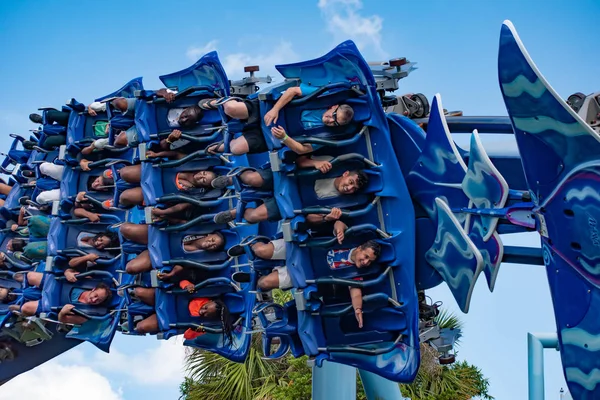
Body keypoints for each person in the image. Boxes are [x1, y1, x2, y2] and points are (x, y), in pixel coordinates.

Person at [235, 222, 381, 328]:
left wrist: (357, 309)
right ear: (360, 248)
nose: (365, 261)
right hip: (301, 250)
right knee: (262, 251)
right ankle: (249, 247)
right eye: (366, 256)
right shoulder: (349, 239)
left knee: (264, 284)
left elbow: (355, 293)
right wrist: (339, 228)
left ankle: (254, 277)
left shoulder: (355, 273)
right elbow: (339, 223)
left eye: (369, 261)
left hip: (303, 274)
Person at [203, 86, 355, 156]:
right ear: (333, 107)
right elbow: (293, 91)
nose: (330, 121)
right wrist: (275, 109)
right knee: (231, 108)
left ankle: (219, 147)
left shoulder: (324, 136)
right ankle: (213, 103)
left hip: (270, 135)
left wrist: (285, 138)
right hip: (266, 111)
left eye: (335, 123)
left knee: (236, 149)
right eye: (333, 116)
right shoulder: (323, 97)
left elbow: (302, 150)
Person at [212, 163, 368, 225]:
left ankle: (233, 213)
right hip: (287, 180)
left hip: (292, 204)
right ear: (346, 173)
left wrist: (326, 218)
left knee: (254, 217)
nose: (349, 187)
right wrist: (315, 163)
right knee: (252, 179)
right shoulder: (330, 164)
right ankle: (231, 179)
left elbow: (310, 218)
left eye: (354, 188)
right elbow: (301, 161)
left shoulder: (340, 204)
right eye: (351, 182)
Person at [131, 286, 234, 344]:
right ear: (210, 301)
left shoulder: (203, 324)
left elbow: (187, 336)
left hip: (166, 319)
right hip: (165, 298)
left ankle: (132, 323)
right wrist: (186, 285)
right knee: (139, 292)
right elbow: (183, 282)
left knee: (141, 327)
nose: (203, 312)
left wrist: (196, 330)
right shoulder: (202, 294)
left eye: (207, 314)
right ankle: (130, 293)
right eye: (205, 308)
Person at [15, 271, 112, 325]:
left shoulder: (85, 315)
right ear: (93, 289)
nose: (94, 300)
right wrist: (67, 273)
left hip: (52, 304)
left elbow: (62, 320)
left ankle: (17, 309)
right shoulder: (88, 280)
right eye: (96, 296)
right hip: (54, 285)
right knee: (30, 276)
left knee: (25, 308)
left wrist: (62, 312)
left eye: (98, 300)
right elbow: (68, 270)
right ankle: (21, 281)